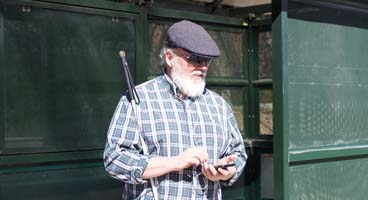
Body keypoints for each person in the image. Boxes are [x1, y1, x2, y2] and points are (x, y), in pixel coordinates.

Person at [104, 20, 247, 200]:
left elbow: (238, 154)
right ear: (170, 58)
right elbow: (114, 159)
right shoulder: (139, 100)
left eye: (207, 61)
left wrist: (225, 171)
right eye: (195, 59)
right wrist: (175, 162)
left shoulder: (218, 105)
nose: (203, 67)